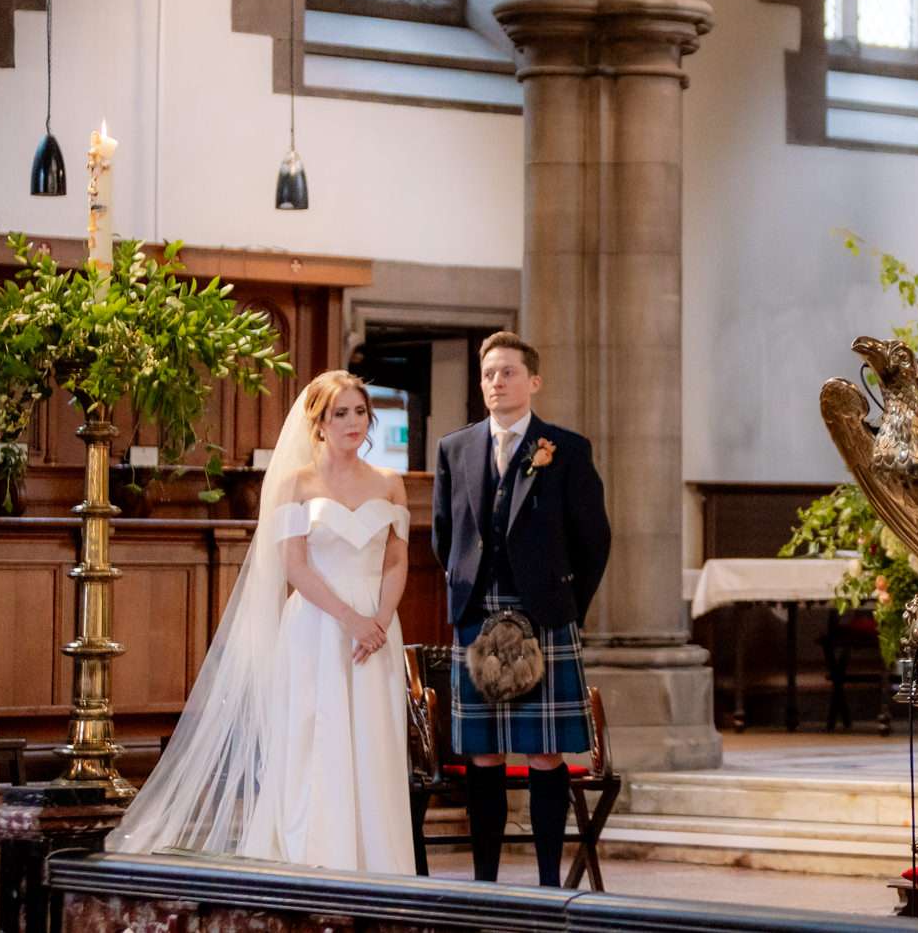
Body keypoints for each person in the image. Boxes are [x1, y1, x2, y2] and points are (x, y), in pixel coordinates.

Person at [110, 371, 417, 874]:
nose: (353, 422)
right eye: (340, 413)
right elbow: (295, 566)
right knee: (315, 738)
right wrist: (351, 619)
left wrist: (378, 621)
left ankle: (378, 864)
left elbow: (395, 560)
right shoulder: (297, 482)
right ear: (318, 423)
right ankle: (314, 859)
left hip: (377, 628)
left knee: (374, 743)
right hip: (320, 621)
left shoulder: (389, 482)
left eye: (359, 412)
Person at [432, 332, 610, 886]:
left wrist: (564, 609)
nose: (496, 383)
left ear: (533, 381)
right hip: (477, 615)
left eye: (507, 372)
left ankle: (547, 884)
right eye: (488, 374)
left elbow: (594, 539)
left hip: (544, 617)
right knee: (483, 755)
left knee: (544, 755)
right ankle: (485, 881)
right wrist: (464, 596)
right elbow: (445, 534)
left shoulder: (566, 448)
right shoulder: (454, 449)